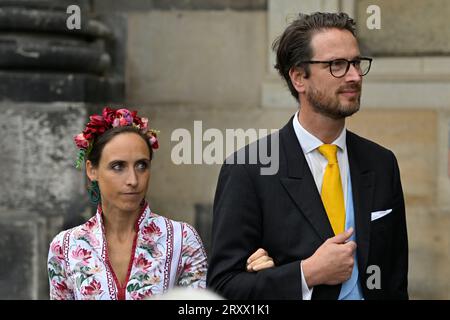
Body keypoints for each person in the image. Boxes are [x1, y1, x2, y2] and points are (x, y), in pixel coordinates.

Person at [207, 12, 408, 300]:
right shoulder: (248, 169)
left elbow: (396, 282)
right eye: (337, 65)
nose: (353, 76)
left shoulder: (381, 162)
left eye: (356, 63)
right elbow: (224, 288)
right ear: (299, 77)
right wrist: (307, 273)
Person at [47, 107, 273, 300]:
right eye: (118, 166)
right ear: (91, 170)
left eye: (141, 165)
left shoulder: (182, 238)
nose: (133, 180)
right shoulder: (66, 247)